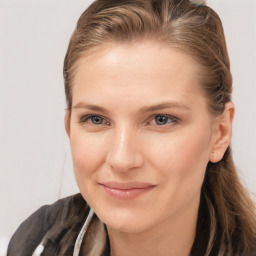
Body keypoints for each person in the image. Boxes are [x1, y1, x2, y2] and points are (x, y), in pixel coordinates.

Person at [7, 0, 256, 255]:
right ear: (69, 128)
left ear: (220, 133)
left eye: (161, 119)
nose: (122, 159)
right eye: (96, 119)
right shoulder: (38, 240)